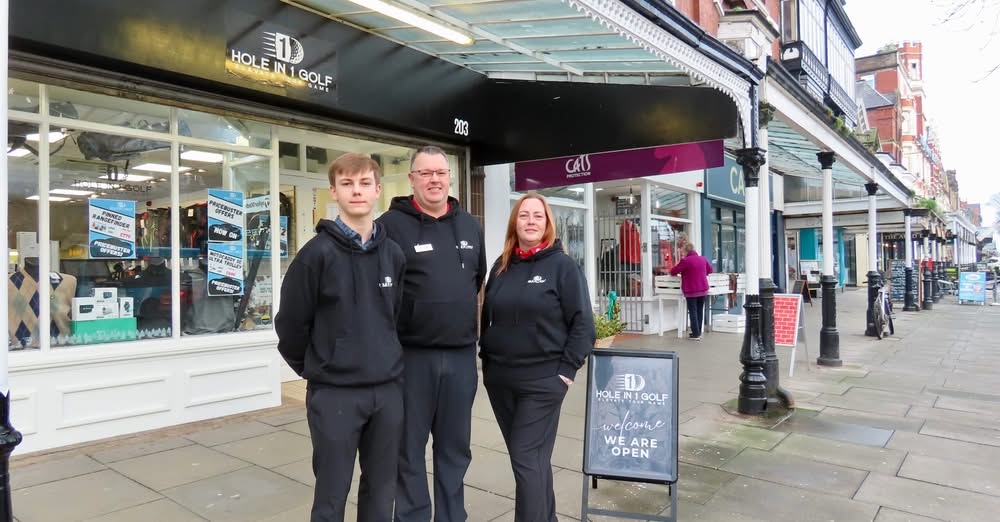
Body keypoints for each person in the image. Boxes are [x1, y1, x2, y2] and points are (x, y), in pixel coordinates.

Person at [275, 152, 406, 522]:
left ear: (378, 190)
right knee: (331, 496)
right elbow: (290, 326)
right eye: (347, 184)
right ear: (333, 191)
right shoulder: (315, 255)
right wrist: (319, 367)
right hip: (334, 395)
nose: (357, 191)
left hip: (387, 392)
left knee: (382, 493)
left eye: (365, 183)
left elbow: (393, 315)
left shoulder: (393, 255)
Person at [376, 145, 486, 522]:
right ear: (411, 179)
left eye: (440, 172)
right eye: (425, 173)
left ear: (449, 177)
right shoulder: (390, 226)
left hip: (460, 357)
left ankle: (453, 517)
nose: (434, 179)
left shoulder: (470, 226)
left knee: (455, 449)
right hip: (411, 358)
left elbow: (477, 280)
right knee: (408, 449)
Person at [479, 194, 595, 522]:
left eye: (538, 216)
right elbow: (488, 315)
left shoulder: (563, 266)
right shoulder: (501, 266)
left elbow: (583, 323)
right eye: (524, 215)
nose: (531, 221)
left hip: (543, 381)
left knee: (525, 457)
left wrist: (566, 370)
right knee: (535, 460)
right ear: (515, 221)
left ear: (547, 224)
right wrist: (486, 358)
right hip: (500, 380)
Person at [669, 242, 713, 340]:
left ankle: (696, 334)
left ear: (686, 251)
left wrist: (684, 272)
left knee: (692, 311)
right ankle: (698, 332)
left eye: (683, 251)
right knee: (699, 310)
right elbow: (710, 270)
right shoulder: (703, 259)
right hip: (703, 289)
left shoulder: (685, 261)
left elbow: (673, 271)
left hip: (691, 290)